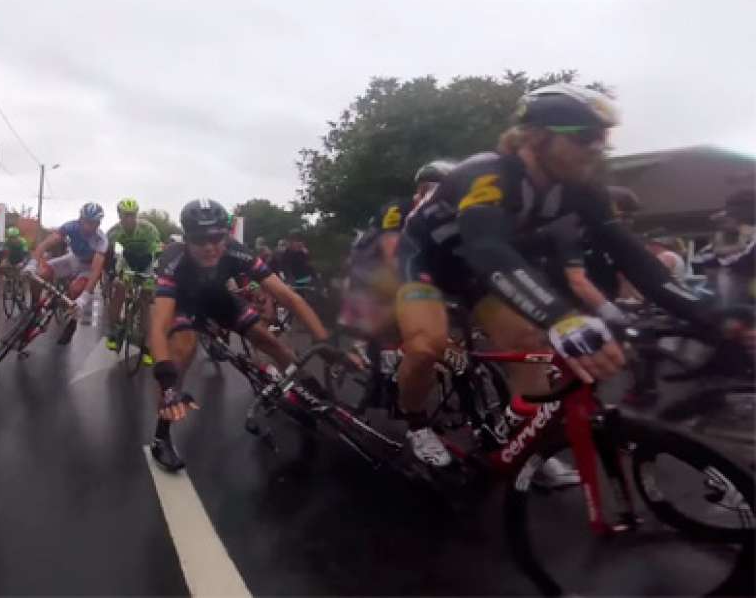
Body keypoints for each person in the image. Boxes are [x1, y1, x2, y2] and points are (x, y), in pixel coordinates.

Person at [394, 83, 721, 485]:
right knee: (426, 346)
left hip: (475, 269)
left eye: (603, 138)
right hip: (425, 261)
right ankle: (415, 424)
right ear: (536, 137)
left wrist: (711, 314)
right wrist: (563, 318)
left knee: (530, 343)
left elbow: (630, 254)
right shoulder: (487, 174)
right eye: (585, 136)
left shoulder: (583, 189)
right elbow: (488, 249)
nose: (598, 147)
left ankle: (523, 441)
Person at [146, 199, 337, 471]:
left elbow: (288, 297)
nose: (211, 247)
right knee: (183, 348)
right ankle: (160, 437)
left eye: (217, 237)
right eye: (201, 240)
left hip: (217, 299)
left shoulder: (236, 251)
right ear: (187, 239)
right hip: (182, 302)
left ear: (226, 235)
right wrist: (166, 383)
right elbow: (159, 326)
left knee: (269, 341)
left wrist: (324, 341)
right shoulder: (173, 259)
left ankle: (311, 392)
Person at [27, 202, 108, 344]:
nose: (88, 226)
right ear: (80, 219)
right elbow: (46, 243)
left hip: (88, 268)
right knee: (39, 275)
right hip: (73, 259)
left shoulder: (101, 240)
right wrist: (33, 262)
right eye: (86, 222)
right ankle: (35, 308)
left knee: (75, 290)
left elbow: (96, 271)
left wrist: (85, 296)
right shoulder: (71, 226)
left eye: (93, 223)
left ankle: (73, 322)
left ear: (98, 223)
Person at [340, 199, 407, 340]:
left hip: (356, 291)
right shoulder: (389, 233)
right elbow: (393, 262)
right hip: (372, 295)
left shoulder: (366, 235)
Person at [104, 198, 162, 361]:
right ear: (119, 216)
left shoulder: (148, 228)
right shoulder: (114, 231)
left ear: (136, 215)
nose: (129, 218)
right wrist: (111, 273)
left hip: (147, 262)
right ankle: (113, 332)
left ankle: (147, 346)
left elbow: (157, 251)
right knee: (120, 288)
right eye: (125, 215)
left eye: (132, 215)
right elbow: (107, 254)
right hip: (128, 261)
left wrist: (156, 272)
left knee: (146, 299)